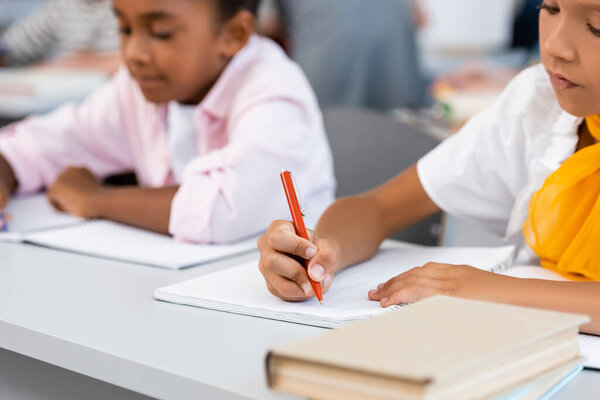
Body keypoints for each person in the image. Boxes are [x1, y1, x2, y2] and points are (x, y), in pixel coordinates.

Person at [257, 0, 600, 335]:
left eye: (597, 26)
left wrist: (488, 290)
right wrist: (324, 250)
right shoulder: (537, 105)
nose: (556, 46)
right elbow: (377, 209)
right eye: (551, 9)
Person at [0, 0, 335, 243]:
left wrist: (94, 200)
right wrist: (5, 169)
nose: (133, 53)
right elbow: (48, 141)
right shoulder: (141, 89)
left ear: (234, 34)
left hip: (287, 301)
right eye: (125, 29)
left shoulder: (274, 88)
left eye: (160, 33)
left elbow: (222, 207)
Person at [0, 0, 120, 72]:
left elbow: (128, 61)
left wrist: (67, 67)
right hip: (61, 98)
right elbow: (13, 45)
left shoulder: (125, 6)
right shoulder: (61, 5)